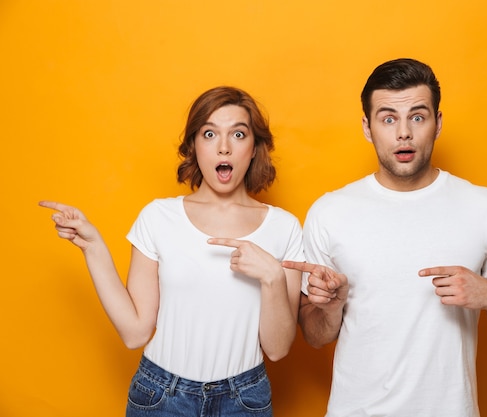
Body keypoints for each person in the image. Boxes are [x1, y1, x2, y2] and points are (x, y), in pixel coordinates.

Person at [283, 58, 487, 417]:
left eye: (418, 117)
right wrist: (331, 306)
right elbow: (315, 335)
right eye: (388, 119)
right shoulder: (329, 212)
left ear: (438, 123)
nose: (404, 132)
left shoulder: (486, 207)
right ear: (367, 127)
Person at [40, 86, 304, 417]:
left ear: (254, 149)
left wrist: (272, 277)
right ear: (194, 145)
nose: (224, 147)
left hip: (243, 400)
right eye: (210, 134)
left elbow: (278, 350)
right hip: (161, 396)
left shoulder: (285, 228)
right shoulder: (158, 217)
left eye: (238, 134)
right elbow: (135, 332)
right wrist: (93, 247)